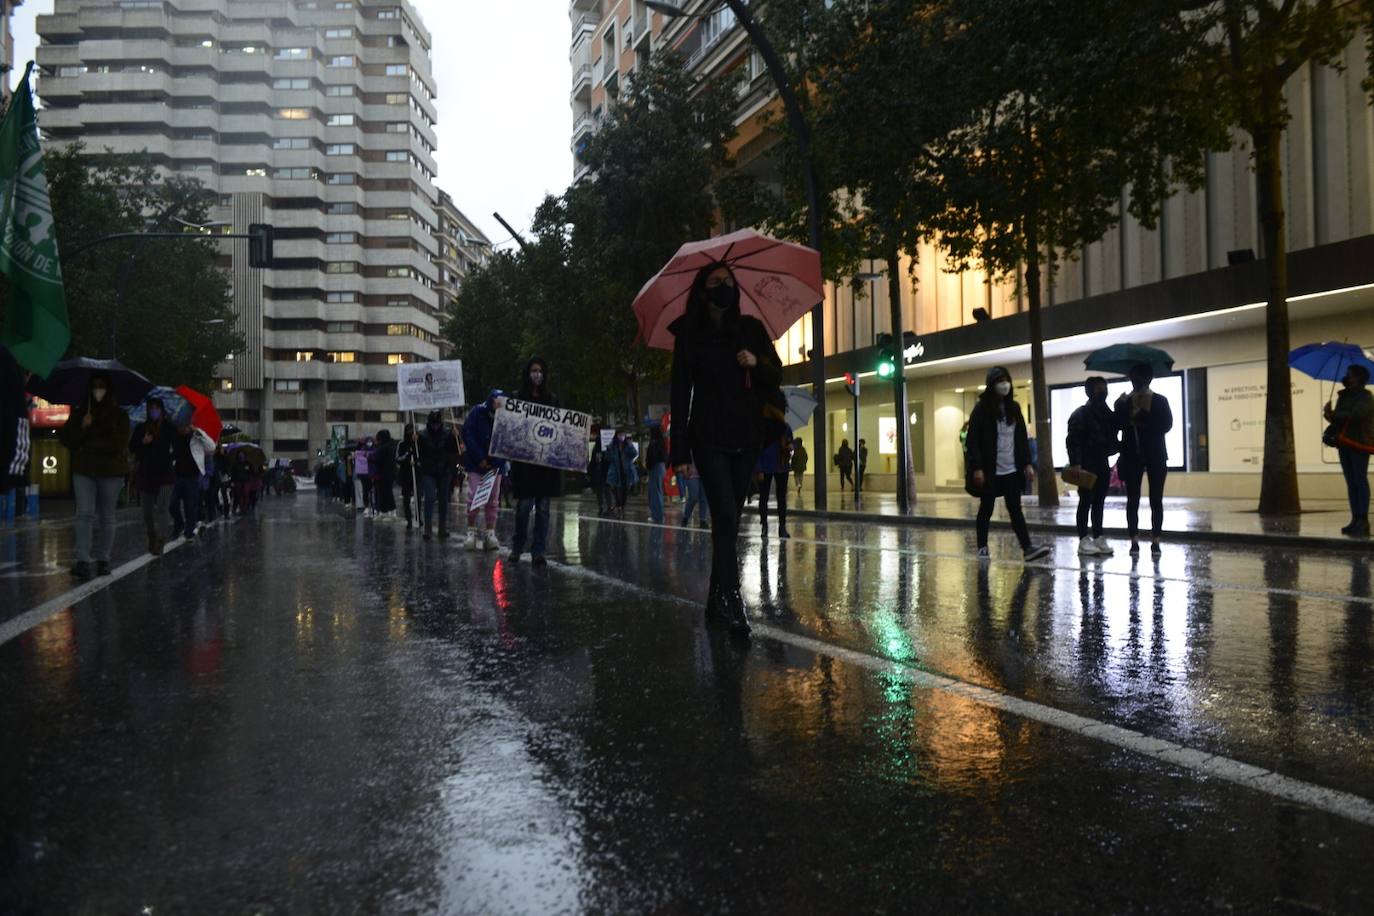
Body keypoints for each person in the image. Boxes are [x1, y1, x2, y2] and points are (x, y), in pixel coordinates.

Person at [669, 260, 783, 635]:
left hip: (746, 435)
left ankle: (715, 600)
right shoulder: (689, 335)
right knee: (725, 514)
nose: (724, 287)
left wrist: (756, 361)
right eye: (716, 282)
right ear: (703, 292)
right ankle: (733, 600)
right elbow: (679, 393)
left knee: (728, 520)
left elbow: (776, 372)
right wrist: (680, 452)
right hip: (707, 436)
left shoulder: (750, 329)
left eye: (729, 281)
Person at [964, 366, 1051, 563]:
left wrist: (1027, 463)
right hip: (990, 470)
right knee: (986, 508)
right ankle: (982, 547)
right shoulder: (981, 410)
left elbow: (1021, 439)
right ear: (991, 385)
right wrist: (977, 467)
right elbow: (973, 440)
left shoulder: (1014, 408)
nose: (1004, 384)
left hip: (1011, 469)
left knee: (1015, 508)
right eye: (999, 380)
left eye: (1006, 380)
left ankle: (1027, 548)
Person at [58, 372, 130, 579]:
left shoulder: (119, 415)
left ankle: (103, 559)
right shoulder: (81, 413)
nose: (98, 390)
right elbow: (67, 439)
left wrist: (95, 432)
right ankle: (82, 560)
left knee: (107, 516)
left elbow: (119, 444)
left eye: (102, 386)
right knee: (84, 513)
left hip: (110, 472)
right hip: (84, 470)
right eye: (94, 386)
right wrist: (82, 427)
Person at [1114, 362, 1173, 557]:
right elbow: (1119, 426)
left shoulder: (1159, 400)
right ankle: (1134, 540)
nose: (1136, 382)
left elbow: (1166, 425)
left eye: (1139, 378)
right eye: (1133, 378)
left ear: (1148, 379)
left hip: (1155, 455)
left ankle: (1156, 539)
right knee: (1133, 499)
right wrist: (1122, 408)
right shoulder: (1124, 402)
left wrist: (1144, 417)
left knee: (1156, 499)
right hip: (1132, 455)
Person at [509, 358, 561, 565]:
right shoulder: (517, 397)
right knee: (523, 507)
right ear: (527, 373)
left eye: (540, 370)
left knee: (543, 510)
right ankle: (518, 546)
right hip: (524, 465)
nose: (537, 374)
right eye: (533, 370)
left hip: (545, 465)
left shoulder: (552, 399)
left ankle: (538, 551)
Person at [1065, 376, 1119, 556]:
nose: (1102, 391)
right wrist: (1076, 464)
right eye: (1098, 388)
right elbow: (1073, 441)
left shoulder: (1108, 413)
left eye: (1104, 387)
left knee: (1099, 502)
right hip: (1086, 465)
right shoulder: (1081, 414)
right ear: (1089, 391)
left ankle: (1098, 536)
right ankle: (1083, 539)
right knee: (1085, 501)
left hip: (1102, 463)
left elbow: (1114, 434)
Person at [1324, 364, 1373, 537]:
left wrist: (1337, 414)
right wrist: (1329, 414)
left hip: (1359, 443)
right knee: (1351, 482)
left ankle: (1363, 521)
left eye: (1349, 375)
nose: (1346, 377)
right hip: (1344, 442)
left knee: (1359, 480)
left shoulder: (1366, 396)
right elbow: (1340, 420)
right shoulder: (1343, 396)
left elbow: (1357, 415)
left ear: (1359, 378)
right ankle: (1355, 519)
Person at [130, 396, 176, 555]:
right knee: (147, 512)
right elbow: (132, 447)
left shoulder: (170, 429)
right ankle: (152, 534)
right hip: (146, 473)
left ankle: (161, 540)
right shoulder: (142, 428)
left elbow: (177, 449)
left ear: (162, 411)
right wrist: (143, 442)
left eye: (156, 408)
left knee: (162, 508)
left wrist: (170, 454)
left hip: (165, 474)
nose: (154, 411)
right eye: (151, 409)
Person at [461, 391, 506, 550]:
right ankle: (471, 531)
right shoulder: (476, 413)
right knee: (474, 497)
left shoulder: (506, 417)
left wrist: (495, 461)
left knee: (493, 499)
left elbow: (507, 442)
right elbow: (467, 433)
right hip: (476, 464)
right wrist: (480, 457)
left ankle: (490, 531)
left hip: (495, 466)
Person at [417, 409, 460, 541]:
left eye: (437, 423)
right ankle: (428, 528)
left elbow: (456, 449)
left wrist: (456, 437)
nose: (435, 426)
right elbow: (417, 452)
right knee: (429, 497)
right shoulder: (422, 435)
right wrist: (414, 441)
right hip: (428, 470)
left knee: (443, 499)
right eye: (433, 423)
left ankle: (442, 527)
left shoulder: (448, 433)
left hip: (444, 470)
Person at [169, 417, 209, 542]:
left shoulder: (196, 436)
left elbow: (211, 446)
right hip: (178, 476)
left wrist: (197, 432)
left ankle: (189, 531)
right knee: (173, 505)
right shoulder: (174, 435)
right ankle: (180, 523)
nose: (182, 428)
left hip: (192, 477)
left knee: (191, 506)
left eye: (184, 426)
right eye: (179, 425)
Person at [756, 427, 792, 539]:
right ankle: (764, 525)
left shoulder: (785, 428)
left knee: (781, 498)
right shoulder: (764, 427)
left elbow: (791, 442)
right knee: (764, 497)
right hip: (766, 465)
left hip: (782, 465)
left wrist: (790, 446)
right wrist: (759, 468)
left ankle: (782, 527)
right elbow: (758, 448)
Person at [604, 430, 638, 519]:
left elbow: (634, 454)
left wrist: (630, 445)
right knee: (616, 490)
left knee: (625, 491)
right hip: (615, 471)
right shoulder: (613, 446)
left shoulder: (628, 445)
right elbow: (607, 457)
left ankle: (621, 507)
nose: (621, 436)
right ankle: (619, 506)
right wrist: (609, 448)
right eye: (620, 434)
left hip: (626, 471)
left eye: (623, 434)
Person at [396, 422, 419, 531]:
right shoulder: (402, 444)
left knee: (418, 497)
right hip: (406, 475)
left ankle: (418, 518)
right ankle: (409, 519)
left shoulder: (418, 443)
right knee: (406, 500)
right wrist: (407, 455)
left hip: (417, 474)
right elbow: (398, 458)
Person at [372, 429, 397, 520]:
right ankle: (384, 511)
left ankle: (391, 511)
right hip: (384, 473)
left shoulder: (386, 447)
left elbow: (378, 459)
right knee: (382, 493)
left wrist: (370, 458)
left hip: (386, 473)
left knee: (387, 492)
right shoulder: (388, 446)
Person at [646, 426, 667, 524]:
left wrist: (649, 466)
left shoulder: (654, 443)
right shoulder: (662, 442)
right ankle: (660, 515)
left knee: (654, 493)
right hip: (661, 466)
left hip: (655, 467)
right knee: (659, 491)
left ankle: (657, 516)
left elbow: (651, 456)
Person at [681, 461, 710, 529]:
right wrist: (684, 469)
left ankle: (703, 520)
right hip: (692, 472)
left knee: (704, 498)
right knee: (693, 496)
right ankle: (686, 517)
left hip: (705, 472)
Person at [588, 430, 610, 515]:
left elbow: (593, 461)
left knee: (601, 491)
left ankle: (603, 506)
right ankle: (607, 506)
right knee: (604, 490)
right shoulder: (603, 448)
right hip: (602, 472)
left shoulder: (596, 448)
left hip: (599, 472)